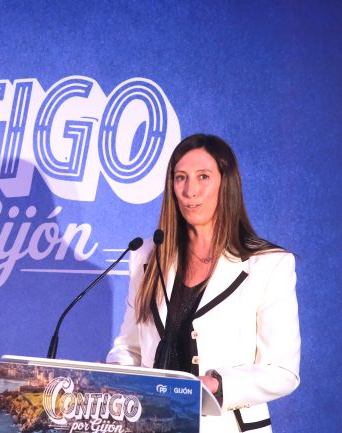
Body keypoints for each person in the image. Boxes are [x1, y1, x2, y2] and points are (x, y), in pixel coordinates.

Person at [106, 134, 300, 432]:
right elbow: (130, 348)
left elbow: (282, 371)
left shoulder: (269, 264)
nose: (189, 191)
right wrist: (115, 373)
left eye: (203, 177)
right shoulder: (147, 256)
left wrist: (215, 384)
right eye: (180, 178)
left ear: (226, 184)